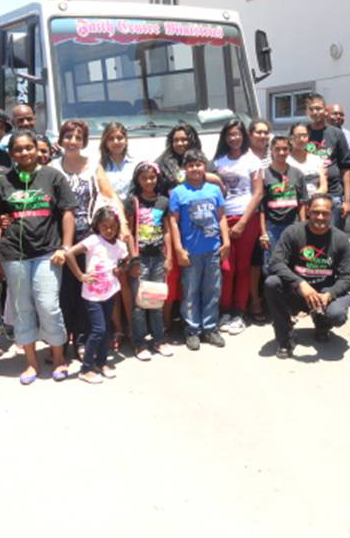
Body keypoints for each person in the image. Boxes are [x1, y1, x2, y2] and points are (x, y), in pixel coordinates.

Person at [0, 130, 77, 384]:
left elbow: (67, 212)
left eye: (29, 147)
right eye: (18, 149)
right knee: (22, 308)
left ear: (37, 150)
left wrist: (65, 247)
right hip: (13, 254)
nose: (24, 153)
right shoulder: (3, 181)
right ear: (11, 153)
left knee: (48, 306)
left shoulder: (53, 176)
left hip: (47, 253)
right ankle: (31, 363)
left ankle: (58, 357)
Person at [266, 194, 350, 357]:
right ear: (308, 211)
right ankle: (285, 338)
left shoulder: (340, 238)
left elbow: (348, 276)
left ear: (331, 214)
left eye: (325, 213)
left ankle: (322, 325)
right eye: (315, 212)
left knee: (337, 315)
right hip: (297, 292)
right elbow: (275, 262)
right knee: (272, 283)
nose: (320, 217)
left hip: (323, 294)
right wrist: (300, 283)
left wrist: (330, 294)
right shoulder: (293, 232)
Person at [52, 120, 106, 356]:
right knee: (64, 292)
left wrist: (122, 225)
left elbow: (108, 194)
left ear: (84, 141)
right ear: (61, 139)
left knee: (86, 289)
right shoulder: (52, 167)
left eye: (78, 137)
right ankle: (61, 341)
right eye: (68, 137)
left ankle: (82, 340)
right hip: (60, 237)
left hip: (88, 236)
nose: (72, 141)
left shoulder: (93, 165)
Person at [169, 149, 231, 351]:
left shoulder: (214, 190)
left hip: (212, 250)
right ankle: (192, 330)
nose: (195, 168)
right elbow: (173, 222)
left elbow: (221, 217)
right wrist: (179, 249)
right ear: (185, 168)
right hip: (191, 252)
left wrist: (226, 241)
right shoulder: (178, 192)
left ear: (205, 166)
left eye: (198, 164)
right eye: (190, 165)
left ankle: (210, 328)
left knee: (212, 290)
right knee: (190, 291)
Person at [64, 207, 129, 383]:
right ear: (97, 226)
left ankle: (101, 362)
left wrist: (120, 269)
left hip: (110, 292)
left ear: (117, 227)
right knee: (98, 330)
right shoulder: (93, 240)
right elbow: (69, 253)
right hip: (92, 296)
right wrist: (80, 276)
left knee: (106, 328)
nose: (109, 230)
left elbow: (127, 260)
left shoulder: (119, 245)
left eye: (112, 227)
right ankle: (85, 368)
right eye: (104, 226)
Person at [214, 119, 264, 335]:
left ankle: (239, 311)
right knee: (226, 268)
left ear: (243, 136)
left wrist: (243, 222)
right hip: (223, 218)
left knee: (243, 267)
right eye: (229, 135)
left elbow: (258, 193)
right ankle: (224, 310)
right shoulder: (218, 161)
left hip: (246, 218)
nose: (234, 138)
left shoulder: (252, 160)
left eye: (237, 134)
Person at [124, 162, 174, 360]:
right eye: (144, 178)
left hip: (158, 257)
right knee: (139, 301)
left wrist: (169, 257)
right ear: (137, 180)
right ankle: (139, 342)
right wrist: (133, 258)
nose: (148, 181)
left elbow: (167, 230)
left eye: (152, 177)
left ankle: (159, 339)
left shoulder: (163, 201)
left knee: (156, 299)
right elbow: (128, 232)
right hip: (141, 258)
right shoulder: (133, 201)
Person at [304, 93, 350, 228]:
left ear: (325, 111)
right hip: (308, 195)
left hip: (333, 195)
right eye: (311, 109)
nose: (315, 112)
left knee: (333, 236)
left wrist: (347, 200)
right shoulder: (303, 133)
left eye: (318, 108)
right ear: (307, 112)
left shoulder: (336, 133)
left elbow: (346, 169)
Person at [259, 135, 308, 269]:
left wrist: (303, 226)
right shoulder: (264, 175)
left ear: (290, 150)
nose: (281, 152)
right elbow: (261, 207)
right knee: (272, 264)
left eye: (285, 149)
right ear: (271, 150)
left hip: (293, 225)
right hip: (272, 226)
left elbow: (302, 202)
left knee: (294, 262)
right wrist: (263, 233)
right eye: (277, 149)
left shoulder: (297, 174)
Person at [247, 119, 272, 320]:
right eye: (258, 132)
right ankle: (254, 300)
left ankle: (273, 301)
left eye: (266, 132)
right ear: (250, 135)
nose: (263, 136)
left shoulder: (275, 153)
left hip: (275, 213)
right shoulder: (244, 156)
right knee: (254, 260)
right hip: (252, 213)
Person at [100, 121, 137, 202]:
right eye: (111, 139)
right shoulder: (99, 167)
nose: (116, 142)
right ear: (105, 142)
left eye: (119, 138)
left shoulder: (135, 165)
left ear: (126, 140)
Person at [287, 123, 326, 197]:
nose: (302, 139)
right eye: (298, 136)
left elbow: (324, 186)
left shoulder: (316, 159)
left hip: (315, 199)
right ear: (291, 139)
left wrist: (313, 198)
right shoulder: (286, 161)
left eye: (305, 136)